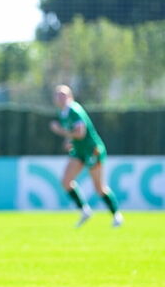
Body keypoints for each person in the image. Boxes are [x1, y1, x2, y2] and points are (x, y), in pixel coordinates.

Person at [49, 85, 123, 227]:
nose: (60, 97)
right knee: (66, 182)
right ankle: (84, 210)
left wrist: (60, 131)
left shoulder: (74, 110)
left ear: (70, 96)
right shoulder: (62, 112)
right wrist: (69, 141)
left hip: (92, 150)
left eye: (63, 94)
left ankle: (116, 215)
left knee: (99, 188)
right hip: (79, 151)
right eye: (58, 95)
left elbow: (80, 133)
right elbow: (73, 133)